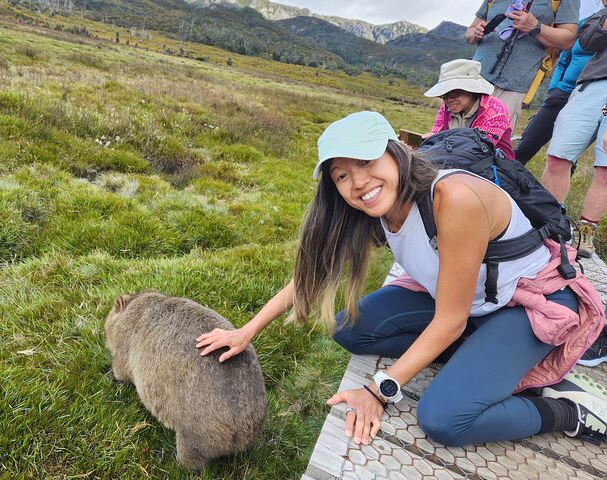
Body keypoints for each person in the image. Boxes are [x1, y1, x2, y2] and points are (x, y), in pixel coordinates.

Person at [197, 111, 606, 447]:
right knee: (348, 329)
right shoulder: (376, 210)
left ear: (397, 152)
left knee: (444, 419)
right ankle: (480, 359)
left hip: (525, 304)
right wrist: (246, 331)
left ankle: (567, 412)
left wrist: (379, 390)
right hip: (470, 304)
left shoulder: (454, 199)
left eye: (366, 161)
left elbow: (450, 320)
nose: (357, 183)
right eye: (341, 176)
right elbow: (315, 274)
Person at [541, 8, 607, 259]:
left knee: (605, 169)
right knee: (558, 156)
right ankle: (549, 219)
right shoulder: (600, 13)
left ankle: (587, 230)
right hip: (592, 85)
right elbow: (588, 41)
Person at [466, 0, 579, 127]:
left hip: (514, 86)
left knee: (489, 142)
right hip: (474, 79)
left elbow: (568, 40)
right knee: (450, 137)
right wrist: (476, 33)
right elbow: (470, 32)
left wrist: (535, 26)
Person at [514, 16, 595, 165]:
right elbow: (564, 59)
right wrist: (555, 87)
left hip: (591, 98)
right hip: (563, 92)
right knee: (528, 142)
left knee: (565, 157)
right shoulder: (587, 23)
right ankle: (503, 178)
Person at [424, 59, 515, 159]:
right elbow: (436, 136)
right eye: (444, 95)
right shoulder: (445, 108)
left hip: (493, 168)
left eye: (454, 93)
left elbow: (480, 149)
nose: (448, 100)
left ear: (470, 90)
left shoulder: (495, 109)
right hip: (452, 160)